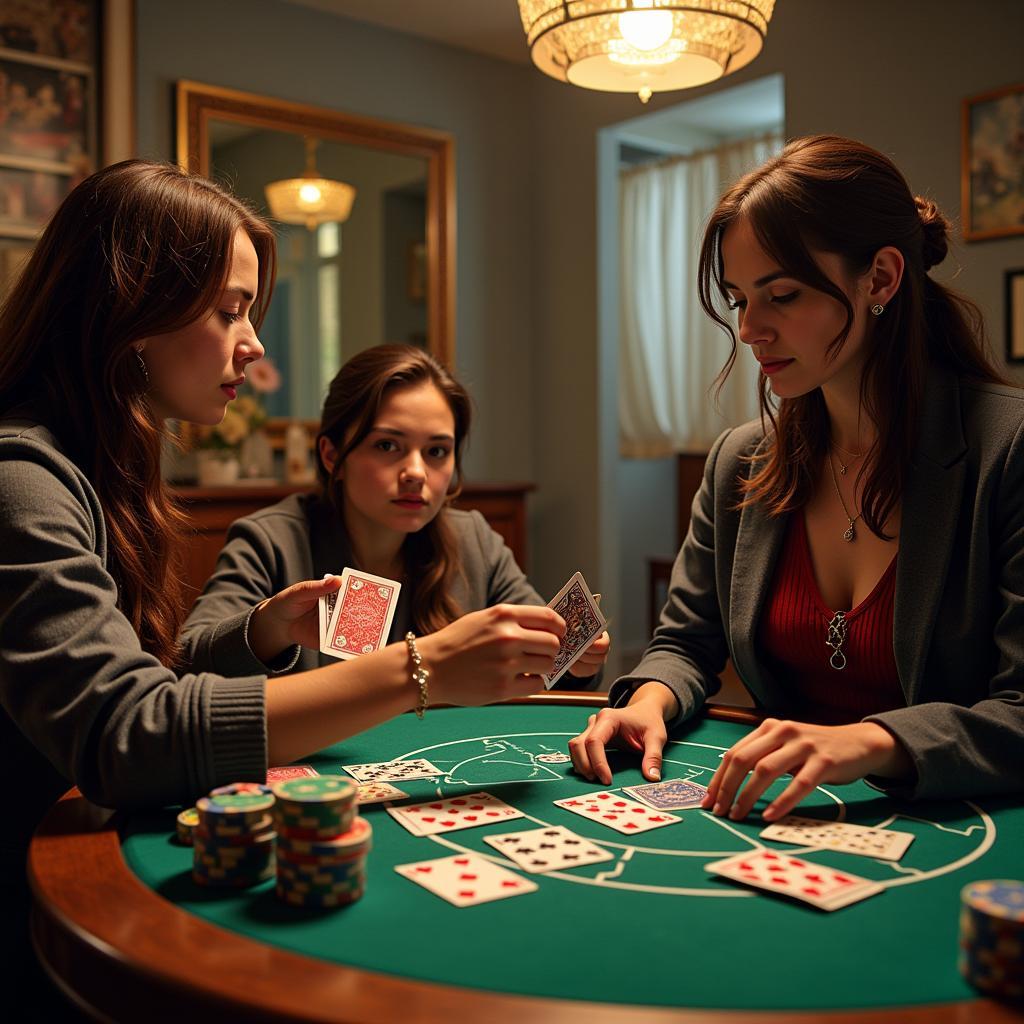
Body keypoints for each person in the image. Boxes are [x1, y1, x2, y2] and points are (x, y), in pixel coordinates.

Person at [0, 161, 568, 995]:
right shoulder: (22, 481)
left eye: (438, 453)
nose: (256, 342)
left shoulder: (98, 473)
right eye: (230, 309)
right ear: (131, 304)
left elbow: (153, 687)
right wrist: (420, 669)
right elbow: (126, 735)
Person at [569, 135, 1024, 822]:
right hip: (776, 819)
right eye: (738, 299)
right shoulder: (738, 461)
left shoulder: (1009, 448)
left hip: (957, 831)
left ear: (881, 279)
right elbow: (685, 644)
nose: (750, 329)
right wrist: (648, 701)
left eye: (781, 295)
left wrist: (869, 742)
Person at [179, 344, 609, 688]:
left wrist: (578, 662)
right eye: (388, 446)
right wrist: (270, 628)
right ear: (333, 456)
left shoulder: (475, 540)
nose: (416, 473)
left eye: (437, 451)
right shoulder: (270, 541)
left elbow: (549, 670)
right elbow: (189, 663)